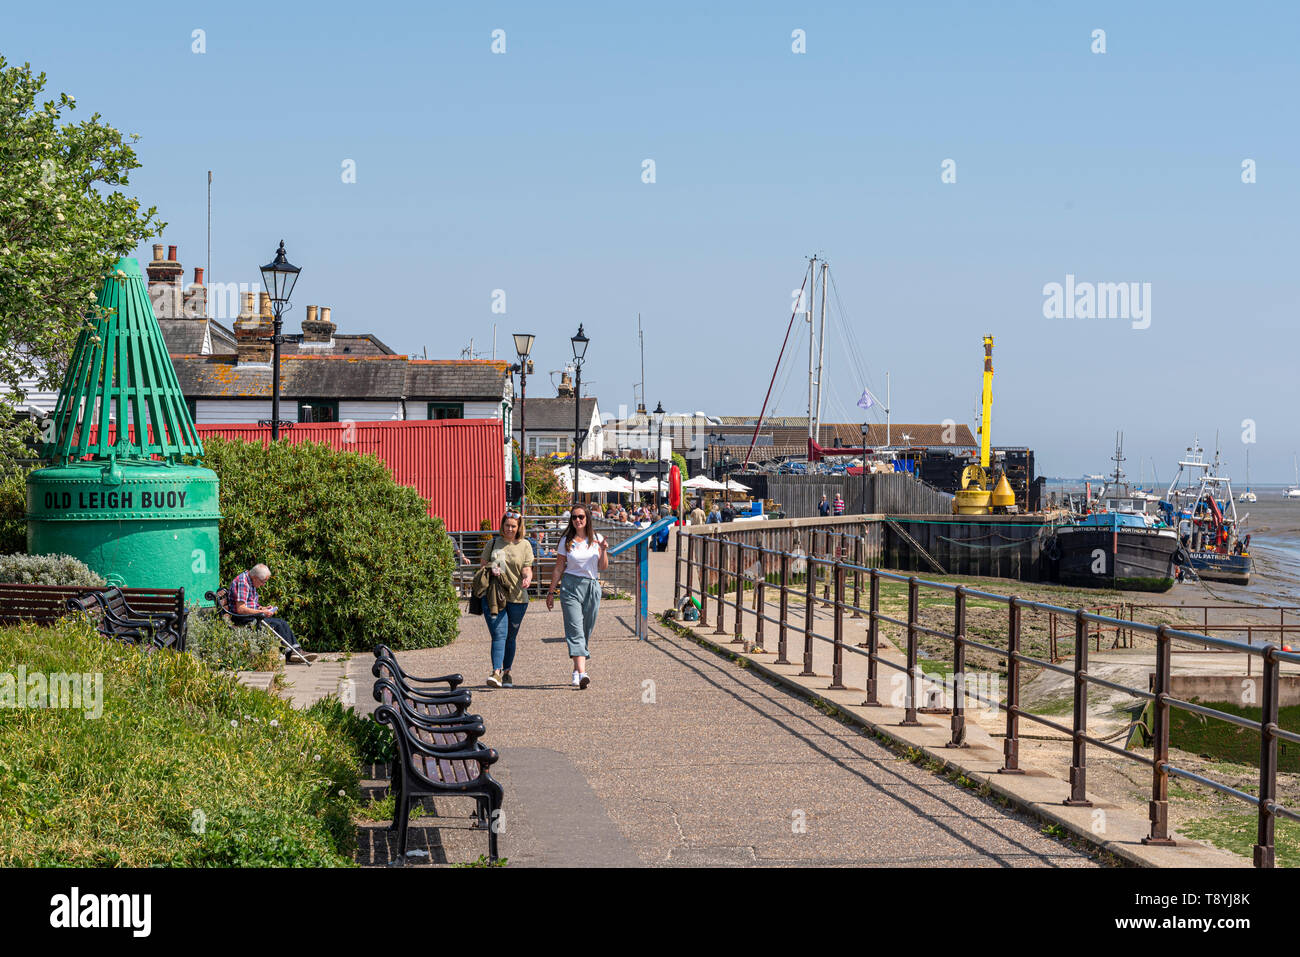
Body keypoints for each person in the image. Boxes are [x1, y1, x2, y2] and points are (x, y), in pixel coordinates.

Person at [545, 505, 608, 689]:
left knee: (585, 629)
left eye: (581, 516)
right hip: (570, 586)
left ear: (587, 518)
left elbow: (603, 567)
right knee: (575, 629)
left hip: (591, 585)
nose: (577, 520)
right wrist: (551, 592)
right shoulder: (566, 540)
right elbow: (558, 567)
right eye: (574, 517)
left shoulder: (596, 539)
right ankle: (583, 673)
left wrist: (603, 550)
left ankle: (575, 668)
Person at [478, 511, 534, 688]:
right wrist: (490, 568)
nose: (509, 529)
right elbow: (482, 566)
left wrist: (527, 577)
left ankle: (507, 672)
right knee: (499, 634)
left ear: (519, 528)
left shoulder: (525, 545)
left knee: (510, 637)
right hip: (495, 596)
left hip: (517, 598)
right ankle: (496, 672)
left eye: (513, 526)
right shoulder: (493, 543)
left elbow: (527, 567)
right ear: (502, 525)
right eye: (507, 525)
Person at [230, 563, 317, 664]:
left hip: (251, 616)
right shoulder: (243, 582)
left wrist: (263, 608)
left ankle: (296, 651)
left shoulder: (250, 580)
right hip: (243, 618)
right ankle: (292, 654)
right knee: (278, 625)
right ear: (254, 577)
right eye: (263, 582)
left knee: (282, 622)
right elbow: (241, 609)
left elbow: (250, 604)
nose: (263, 585)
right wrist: (262, 612)